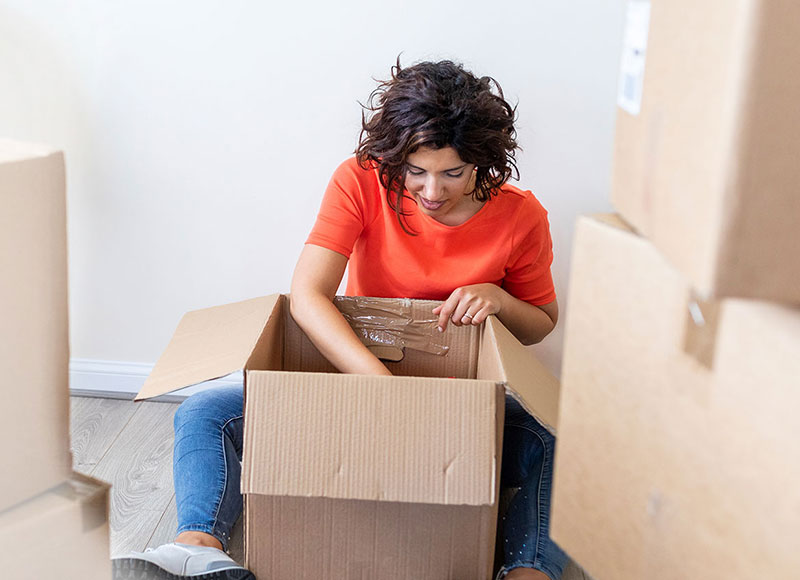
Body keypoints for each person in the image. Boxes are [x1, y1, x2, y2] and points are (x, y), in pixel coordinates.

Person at [113, 59, 567, 580]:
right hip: (354, 382)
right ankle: (197, 551)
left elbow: (540, 323)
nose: (433, 192)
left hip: (456, 404)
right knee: (204, 411)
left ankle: (529, 573)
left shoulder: (520, 215)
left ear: (482, 162)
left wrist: (499, 299)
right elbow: (307, 296)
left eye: (453, 173)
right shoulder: (362, 179)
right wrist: (379, 385)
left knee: (554, 442)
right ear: (395, 157)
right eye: (416, 171)